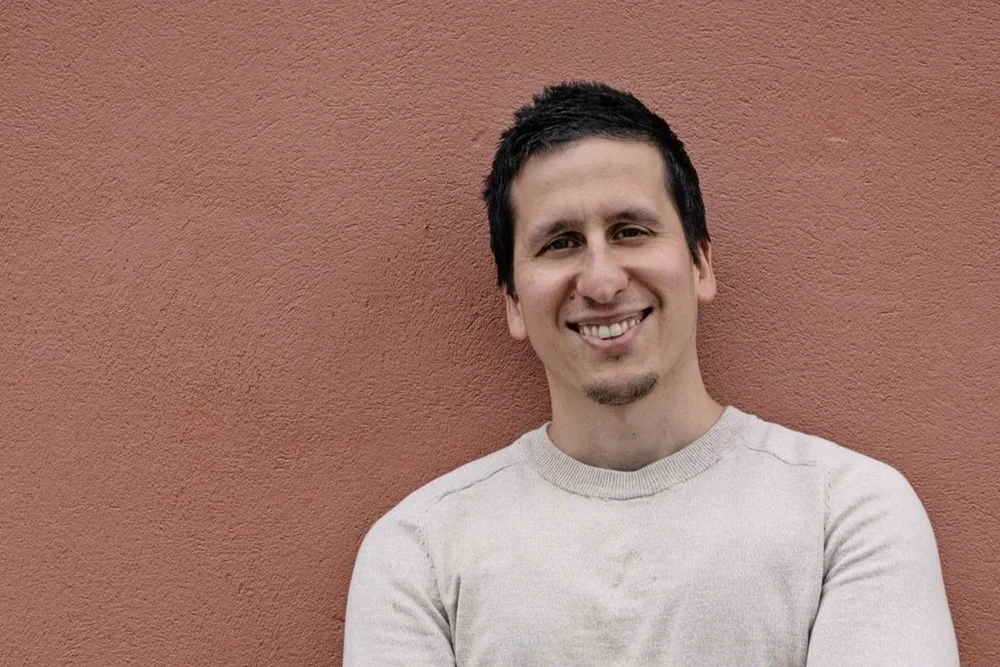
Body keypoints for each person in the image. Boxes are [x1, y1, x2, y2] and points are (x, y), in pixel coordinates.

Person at [342, 82, 959, 666]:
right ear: (512, 302)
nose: (603, 280)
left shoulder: (845, 513)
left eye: (630, 231)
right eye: (559, 243)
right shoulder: (419, 553)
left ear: (700, 263)